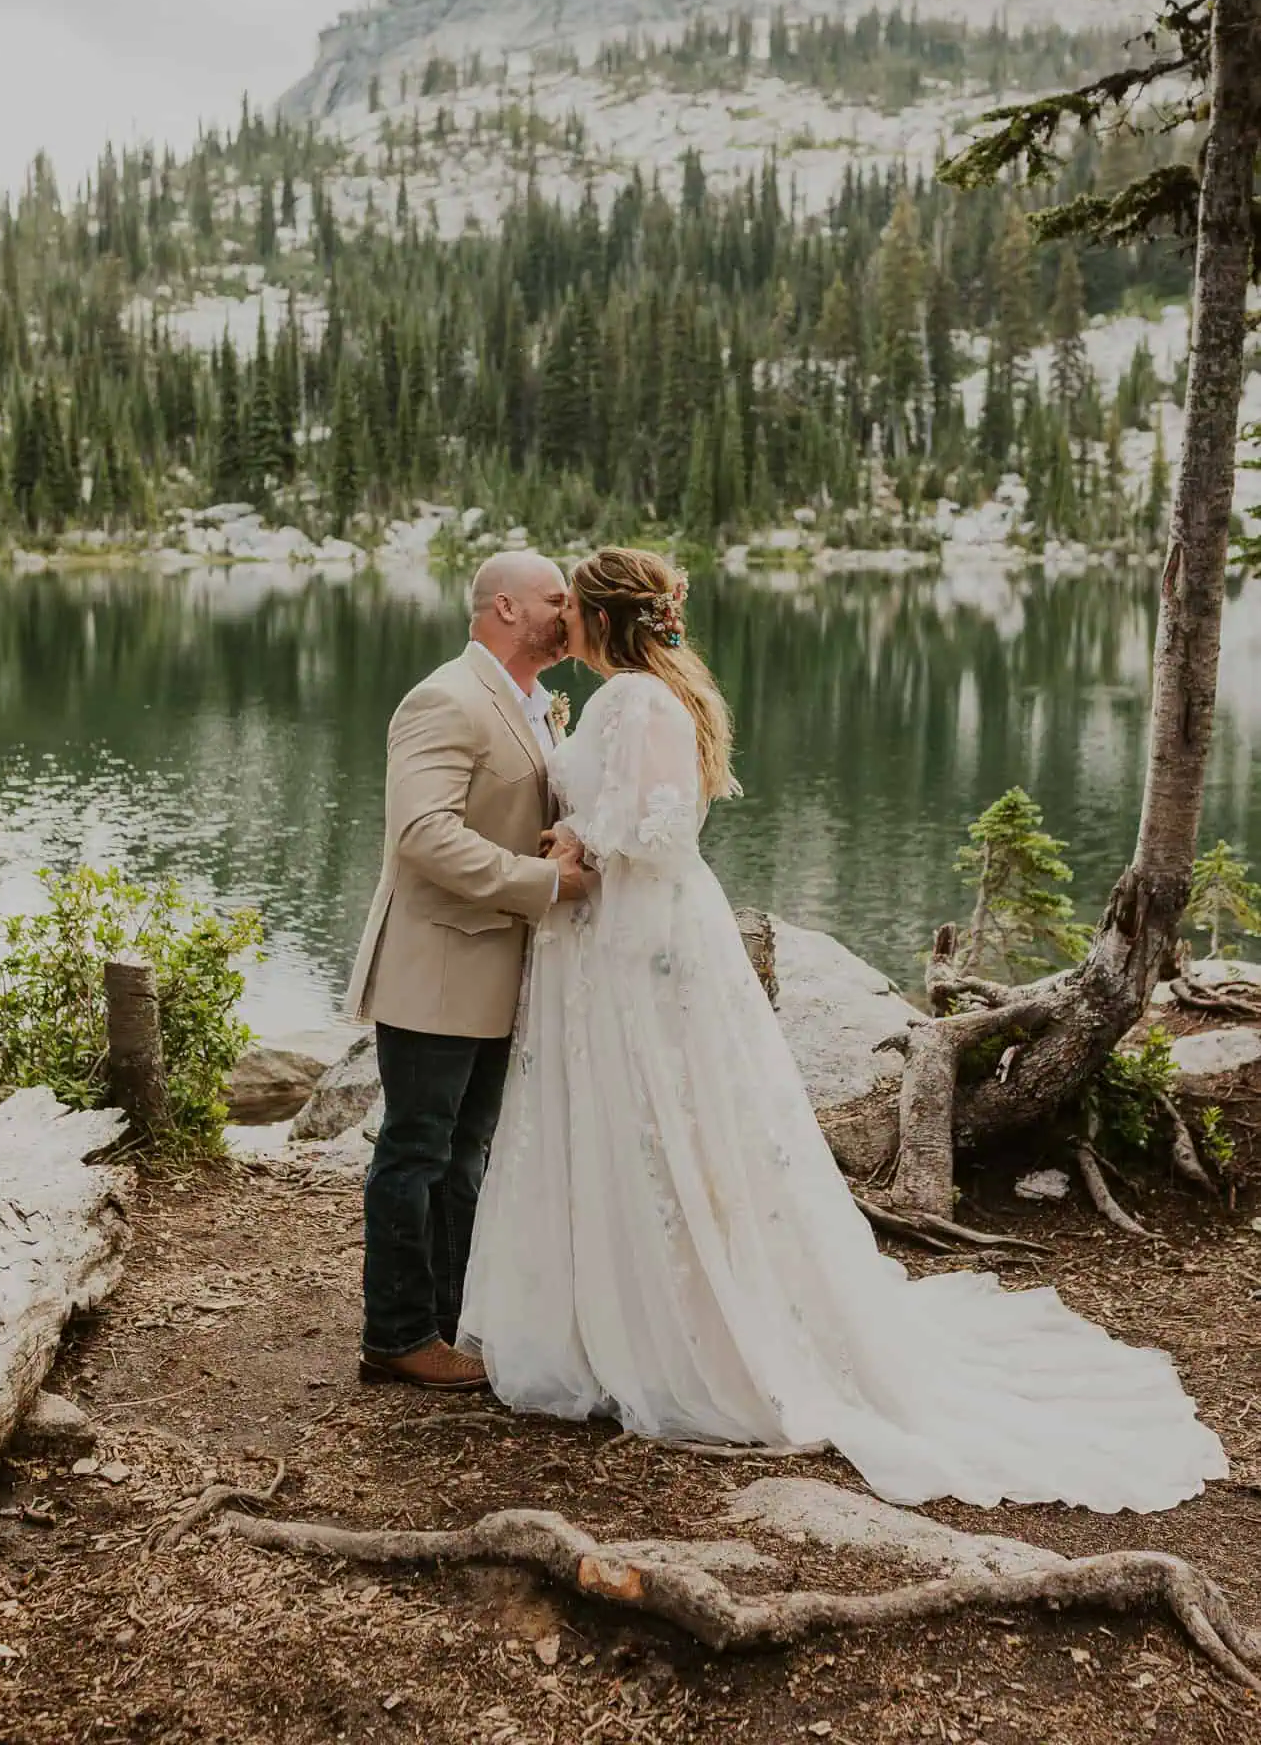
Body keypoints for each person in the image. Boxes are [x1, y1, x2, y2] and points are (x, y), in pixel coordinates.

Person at [458, 546, 1229, 1511]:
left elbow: (661, 832)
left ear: (603, 618)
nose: (561, 619)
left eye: (572, 606)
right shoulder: (641, 695)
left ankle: (672, 1330)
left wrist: (580, 837)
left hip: (631, 939)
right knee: (632, 1120)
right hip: (612, 937)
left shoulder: (638, 699)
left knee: (652, 1117)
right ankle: (612, 1310)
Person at [347, 550, 596, 1392]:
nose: (569, 612)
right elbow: (423, 834)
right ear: (504, 608)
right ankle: (395, 1335)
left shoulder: (534, 703)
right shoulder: (445, 699)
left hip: (498, 965)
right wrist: (543, 883)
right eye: (555, 598)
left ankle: (451, 1326)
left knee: (466, 1154)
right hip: (439, 963)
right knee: (416, 1149)